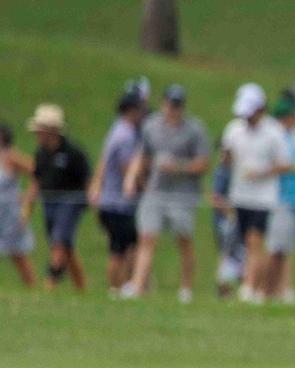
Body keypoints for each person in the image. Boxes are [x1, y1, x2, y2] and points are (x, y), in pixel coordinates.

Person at [120, 84, 210, 303]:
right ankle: (138, 286)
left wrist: (178, 167)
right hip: (156, 190)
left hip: (182, 193)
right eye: (171, 104)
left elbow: (203, 163)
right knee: (147, 237)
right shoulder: (151, 126)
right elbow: (143, 156)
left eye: (178, 105)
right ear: (163, 104)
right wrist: (135, 179)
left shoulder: (195, 129)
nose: (173, 109)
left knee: (183, 239)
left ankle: (185, 290)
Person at [222, 83, 289, 304]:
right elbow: (226, 159)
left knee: (254, 242)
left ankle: (249, 287)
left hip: (264, 197)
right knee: (244, 244)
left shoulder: (274, 131)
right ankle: (251, 286)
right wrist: (225, 158)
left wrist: (261, 173)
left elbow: (284, 164)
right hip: (239, 195)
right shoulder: (233, 129)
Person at [21, 104, 90, 290]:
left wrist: (89, 201)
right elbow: (36, 181)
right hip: (49, 201)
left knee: (59, 242)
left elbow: (87, 179)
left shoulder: (73, 153)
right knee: (64, 246)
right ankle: (80, 286)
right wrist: (26, 209)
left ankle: (49, 283)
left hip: (70, 201)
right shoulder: (41, 153)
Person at [90, 91, 144, 296]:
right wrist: (144, 185)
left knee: (119, 247)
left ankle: (118, 288)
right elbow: (127, 168)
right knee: (121, 249)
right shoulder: (126, 135)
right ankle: (118, 288)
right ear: (131, 111)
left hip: (109, 200)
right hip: (118, 203)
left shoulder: (116, 130)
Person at [264, 94, 295, 304]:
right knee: (275, 248)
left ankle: (282, 289)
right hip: (279, 198)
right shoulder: (273, 135)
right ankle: (266, 291)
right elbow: (277, 165)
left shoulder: (294, 135)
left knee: (286, 248)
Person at [0, 123, 36, 287]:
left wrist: (27, 198)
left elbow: (36, 173)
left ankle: (32, 286)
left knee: (17, 253)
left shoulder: (12, 156)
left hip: (9, 212)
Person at [209, 143, 244, 298]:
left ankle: (239, 287)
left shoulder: (234, 170)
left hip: (234, 220)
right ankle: (223, 289)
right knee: (228, 255)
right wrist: (232, 213)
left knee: (239, 255)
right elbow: (215, 197)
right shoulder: (222, 171)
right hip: (226, 222)